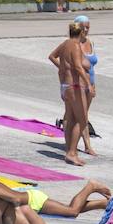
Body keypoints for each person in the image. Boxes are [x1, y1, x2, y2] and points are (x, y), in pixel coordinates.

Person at [47, 21, 93, 166]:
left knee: (71, 118)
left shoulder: (65, 44)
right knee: (82, 119)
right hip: (75, 85)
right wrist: (88, 83)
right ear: (81, 33)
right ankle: (72, 153)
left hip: (65, 85)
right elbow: (79, 68)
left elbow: (51, 56)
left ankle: (69, 150)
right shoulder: (76, 46)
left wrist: (62, 68)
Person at [76, 14, 99, 149]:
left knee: (84, 115)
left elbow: (92, 66)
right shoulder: (73, 43)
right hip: (78, 84)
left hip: (90, 83)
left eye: (88, 27)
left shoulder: (91, 42)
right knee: (80, 115)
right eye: (83, 27)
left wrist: (92, 84)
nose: (86, 30)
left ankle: (83, 144)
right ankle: (85, 145)